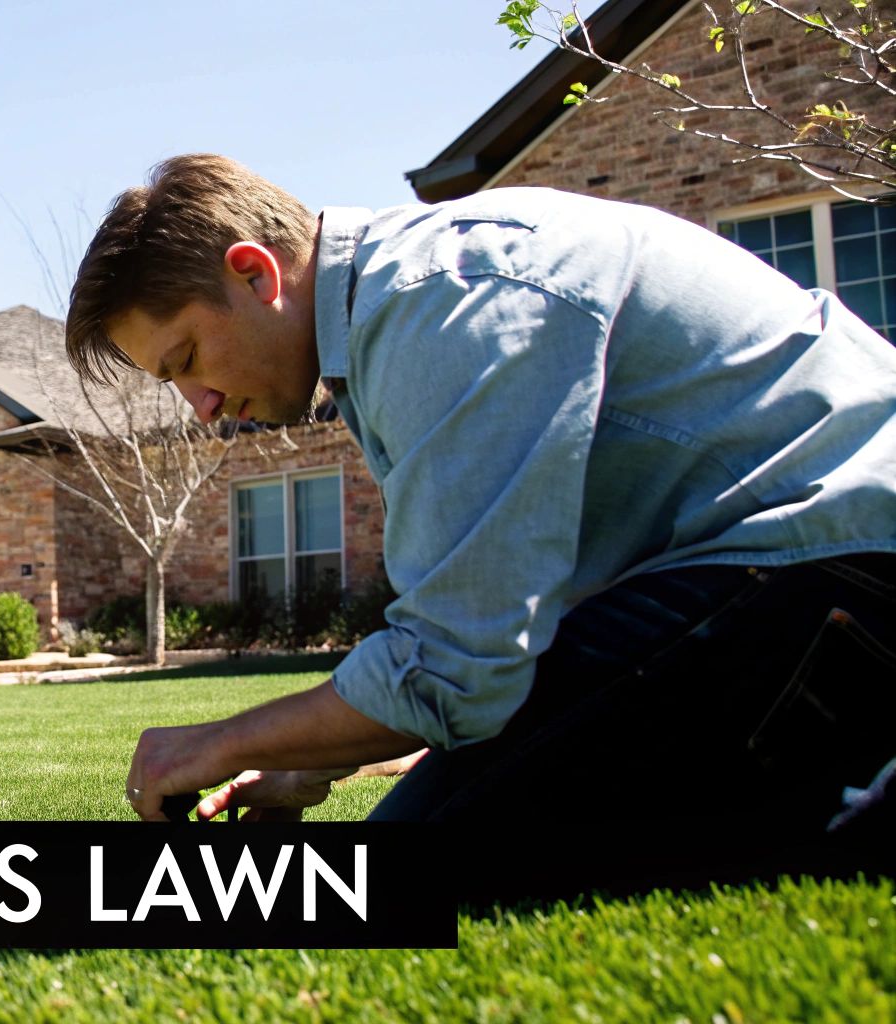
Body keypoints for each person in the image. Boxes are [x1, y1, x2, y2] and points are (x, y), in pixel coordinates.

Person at [67, 154, 896, 834]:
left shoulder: (443, 307)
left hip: (838, 569)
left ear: (254, 274)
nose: (201, 408)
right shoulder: (397, 313)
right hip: (795, 566)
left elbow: (455, 668)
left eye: (186, 361)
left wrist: (219, 744)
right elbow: (508, 617)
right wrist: (309, 751)